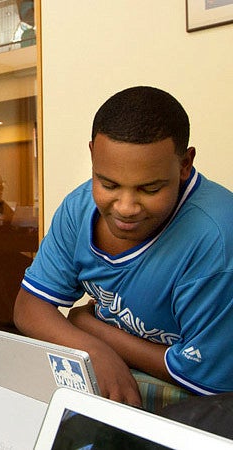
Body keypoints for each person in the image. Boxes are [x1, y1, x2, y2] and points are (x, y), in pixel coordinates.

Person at [14, 86, 233, 410]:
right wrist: (93, 349)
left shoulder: (217, 236)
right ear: (92, 155)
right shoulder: (78, 207)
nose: (126, 207)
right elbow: (29, 307)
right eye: (109, 184)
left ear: (185, 165)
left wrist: (90, 327)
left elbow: (206, 378)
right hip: (116, 380)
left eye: (150, 188)